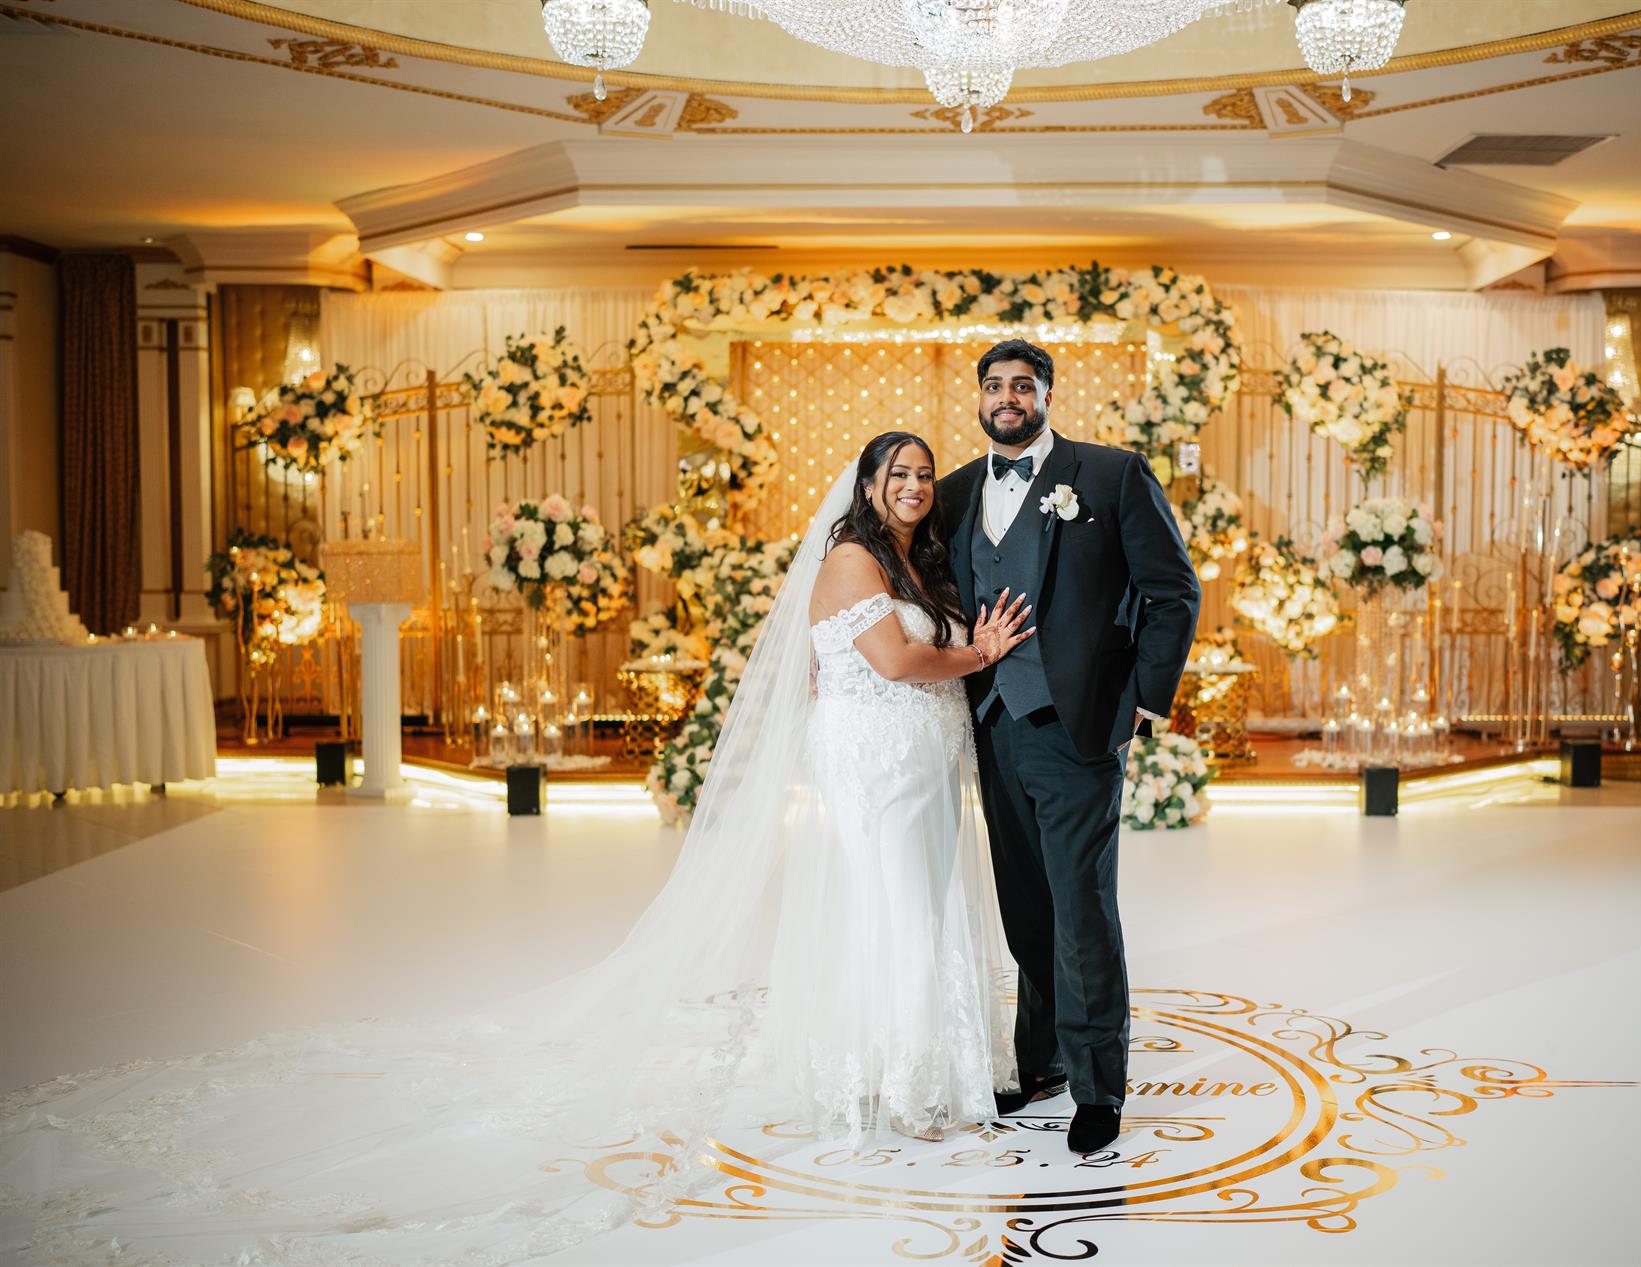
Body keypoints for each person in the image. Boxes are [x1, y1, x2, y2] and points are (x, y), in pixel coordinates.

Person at [0, 432, 1034, 1263]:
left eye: (921, 474)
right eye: (898, 473)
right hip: (879, 761)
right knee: (891, 905)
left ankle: (912, 1064)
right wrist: (979, 651)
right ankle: (895, 1080)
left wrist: (956, 655)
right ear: (867, 483)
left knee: (916, 901)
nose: (913, 485)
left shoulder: (914, 555)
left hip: (913, 760)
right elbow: (894, 659)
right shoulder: (853, 557)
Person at [938, 338, 1201, 1156]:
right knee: (1026, 906)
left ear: (1047, 395)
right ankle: (1041, 1058)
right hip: (993, 724)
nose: (1007, 397)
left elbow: (1173, 591)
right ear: (979, 398)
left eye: (1023, 385)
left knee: (1081, 907)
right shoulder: (953, 492)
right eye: (994, 385)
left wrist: (1143, 701)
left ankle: (1098, 1085)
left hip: (1078, 726)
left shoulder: (1111, 475)